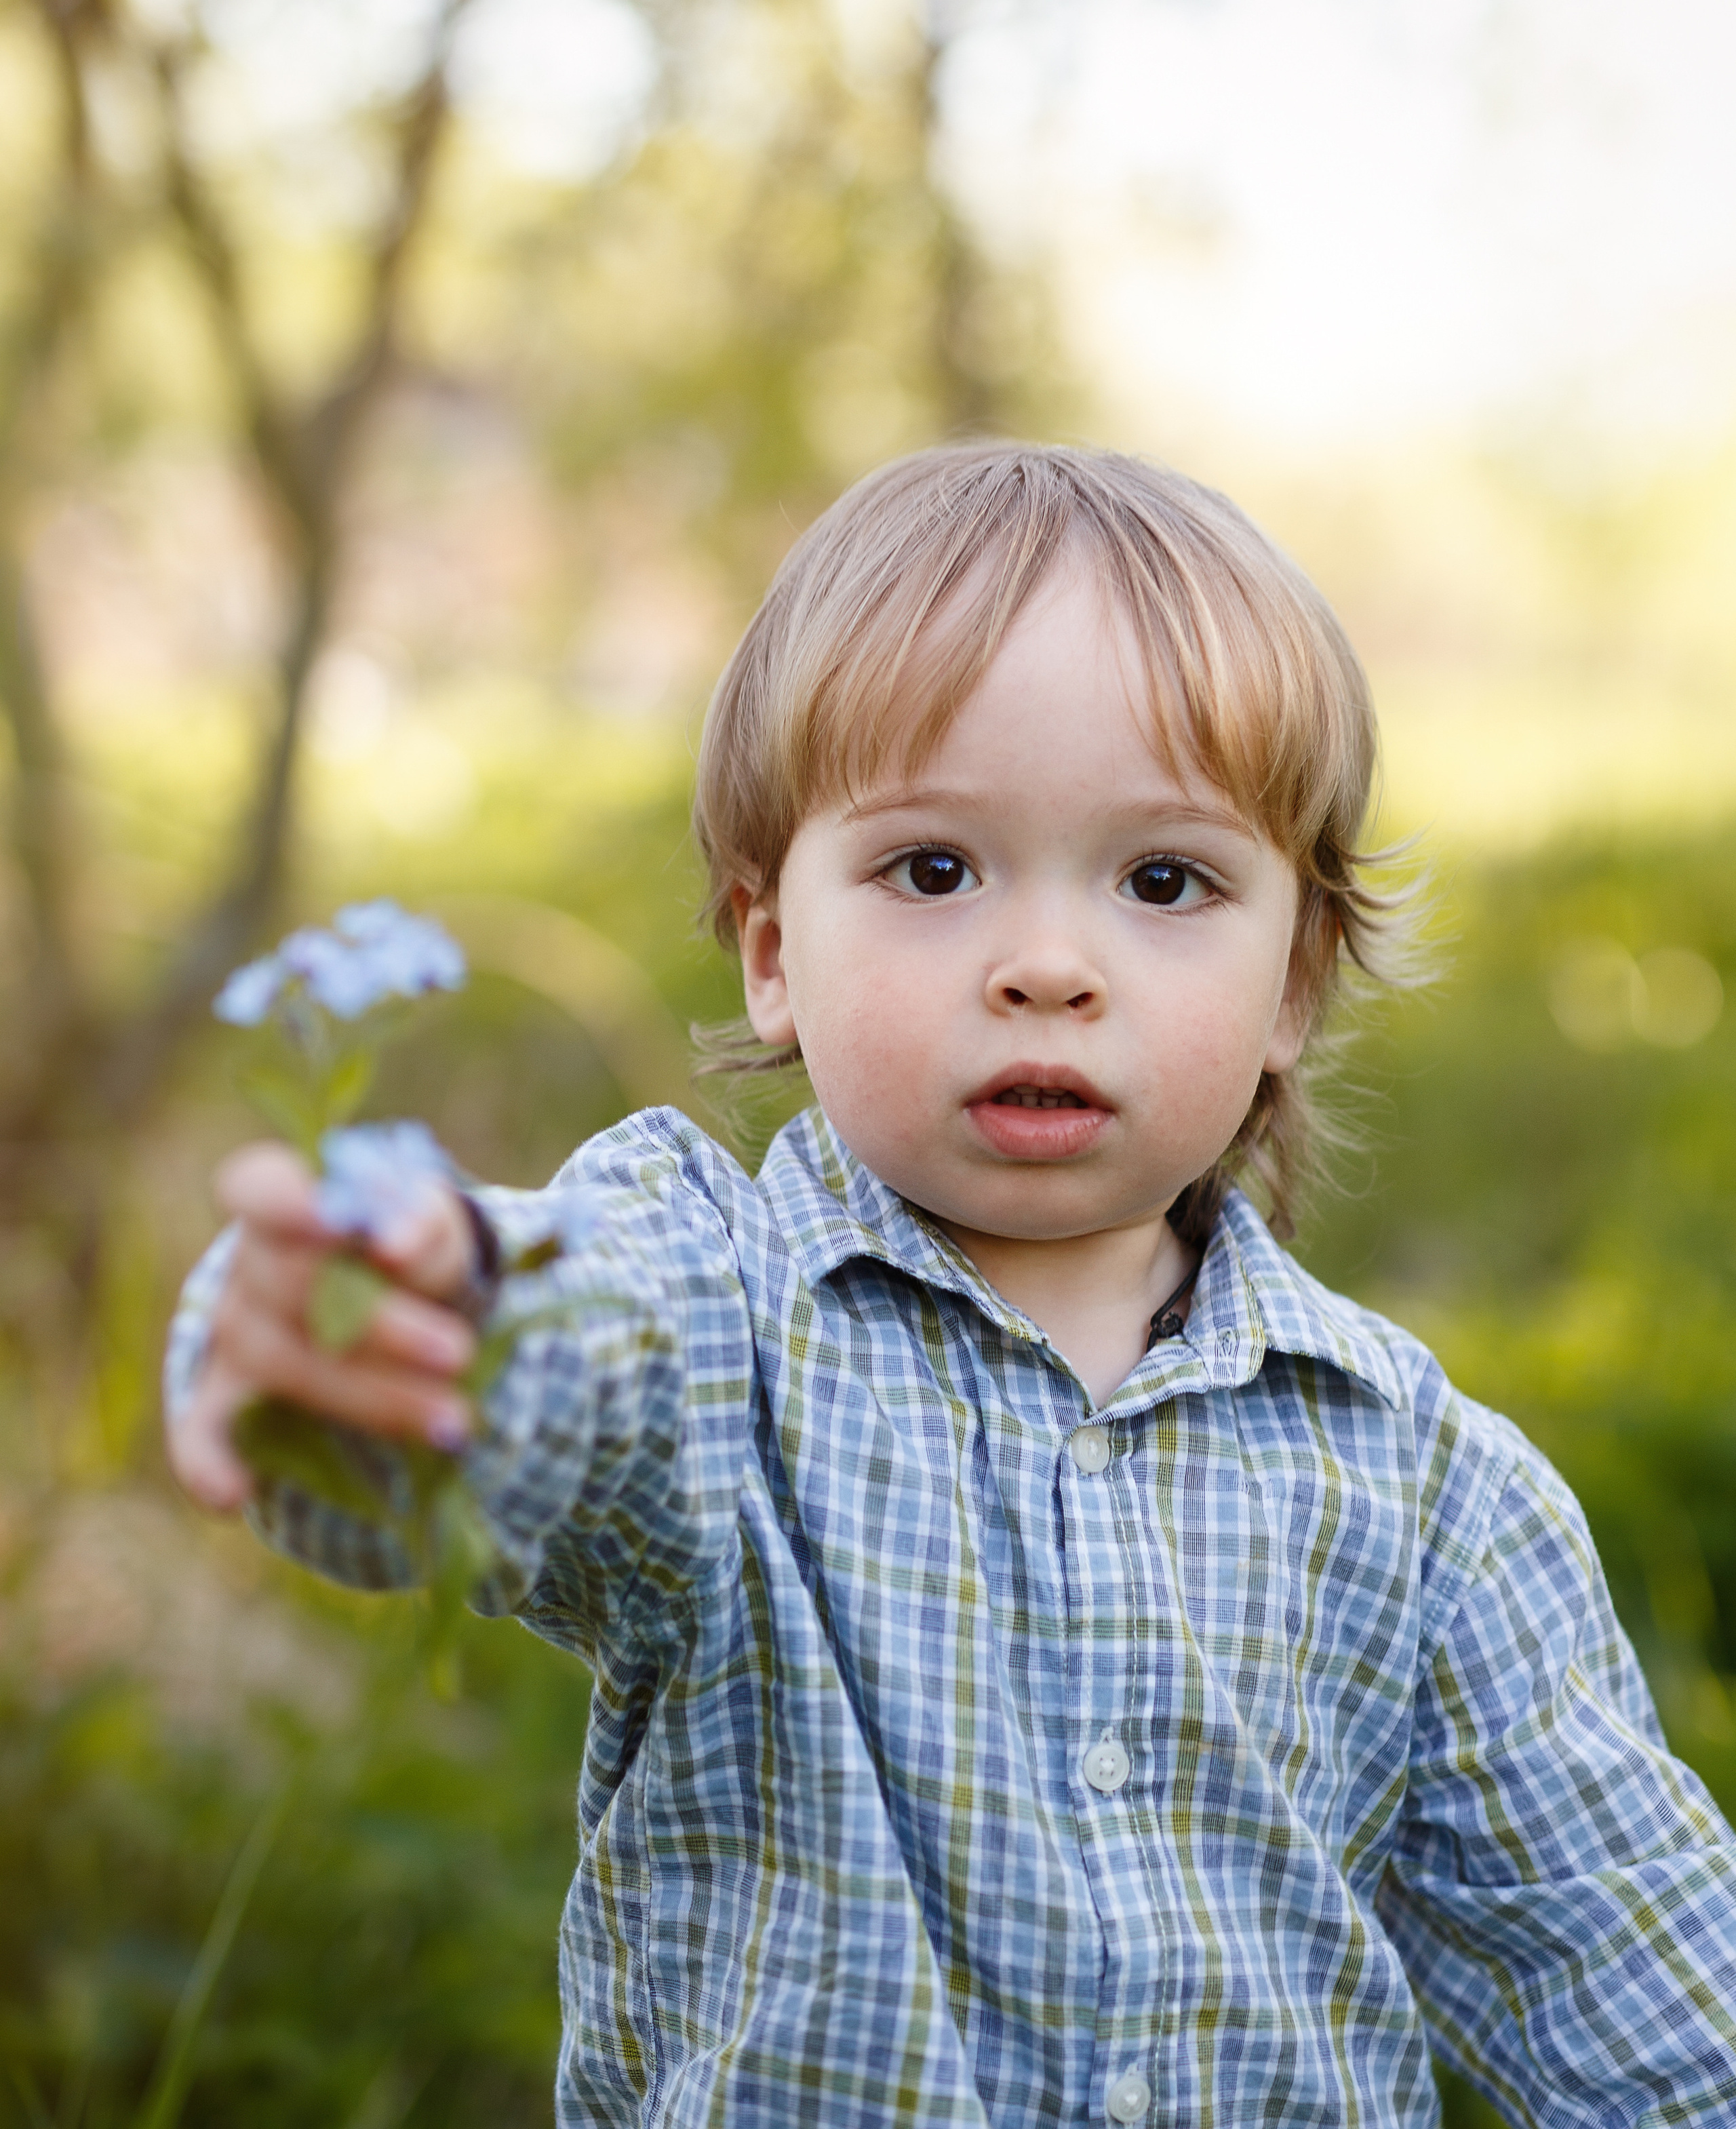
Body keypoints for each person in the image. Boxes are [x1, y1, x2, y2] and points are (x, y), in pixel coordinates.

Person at [163, 444, 1736, 2128]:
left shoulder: (1424, 1490)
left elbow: (1639, 1995)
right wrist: (392, 1329)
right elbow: (533, 1367)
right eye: (932, 870)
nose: (1045, 966)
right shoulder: (713, 1310)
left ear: (1290, 979)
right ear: (773, 949)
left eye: (1160, 881)